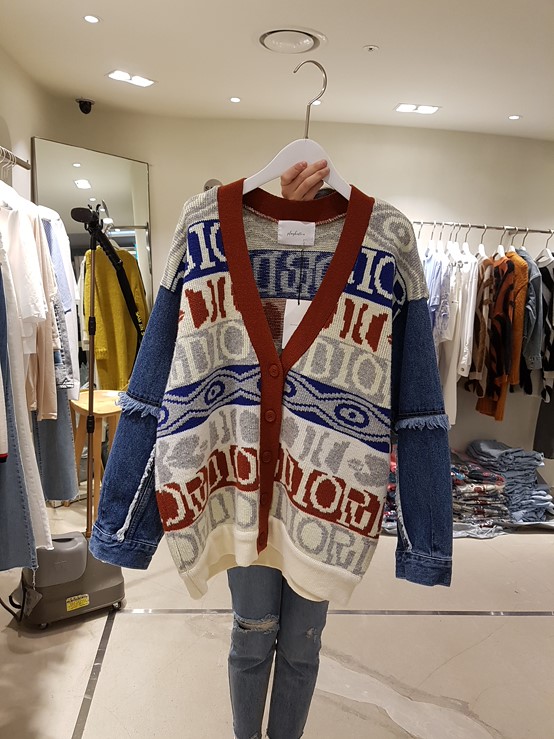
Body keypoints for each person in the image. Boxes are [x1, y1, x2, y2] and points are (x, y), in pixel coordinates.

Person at [226, 159, 334, 739]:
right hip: (246, 489)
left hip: (321, 493)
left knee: (302, 644)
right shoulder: (224, 249)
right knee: (252, 634)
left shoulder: (362, 263)